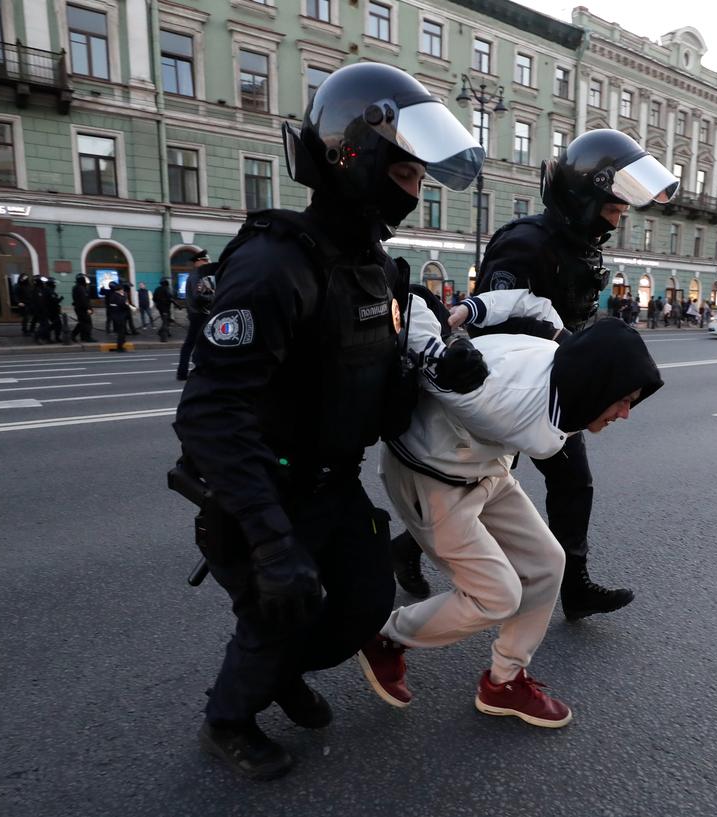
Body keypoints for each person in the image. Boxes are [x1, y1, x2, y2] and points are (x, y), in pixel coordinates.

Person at [172, 61, 484, 781]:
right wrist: (270, 539)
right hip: (264, 486)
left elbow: (371, 383)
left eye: (419, 178)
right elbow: (210, 413)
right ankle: (229, 718)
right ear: (354, 158)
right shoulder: (276, 265)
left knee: (362, 602)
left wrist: (439, 372)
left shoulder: (371, 266)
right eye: (403, 174)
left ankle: (281, 670)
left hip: (332, 480)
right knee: (279, 607)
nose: (414, 193)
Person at [390, 128, 678, 621]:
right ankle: (562, 582)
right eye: (613, 209)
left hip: (560, 383)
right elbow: (500, 322)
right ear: (584, 199)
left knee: (522, 482)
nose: (618, 218)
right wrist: (565, 348)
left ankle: (567, 581)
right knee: (513, 481)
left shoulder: (578, 241)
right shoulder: (526, 245)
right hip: (522, 389)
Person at [359, 287, 663, 728]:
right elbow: (411, 316)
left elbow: (532, 303)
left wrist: (469, 309)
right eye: (622, 399)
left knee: (547, 563)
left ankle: (503, 682)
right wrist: (439, 338)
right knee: (496, 596)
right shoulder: (500, 400)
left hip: (484, 469)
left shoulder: (563, 351)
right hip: (431, 478)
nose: (625, 413)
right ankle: (386, 637)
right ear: (598, 385)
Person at [176, 251, 215, 380]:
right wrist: (214, 297)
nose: (207, 263)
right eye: (206, 261)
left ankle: (187, 371)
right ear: (199, 261)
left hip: (197, 313)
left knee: (197, 343)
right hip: (200, 314)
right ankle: (189, 371)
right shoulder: (197, 276)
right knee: (197, 343)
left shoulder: (197, 275)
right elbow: (198, 297)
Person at [105, 281, 129, 351]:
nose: (122, 291)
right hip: (118, 316)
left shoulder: (118, 295)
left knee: (121, 331)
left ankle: (121, 343)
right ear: (118, 290)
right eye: (121, 290)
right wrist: (127, 306)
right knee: (121, 331)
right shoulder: (116, 296)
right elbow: (122, 305)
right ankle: (120, 347)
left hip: (120, 315)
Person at [71, 275, 94, 342]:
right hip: (83, 309)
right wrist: (88, 308)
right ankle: (86, 337)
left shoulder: (77, 287)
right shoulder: (81, 288)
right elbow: (84, 300)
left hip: (79, 308)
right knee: (87, 323)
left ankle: (82, 336)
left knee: (82, 323)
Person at [153, 277, 174, 342]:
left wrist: (158, 303)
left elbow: (154, 298)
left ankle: (166, 332)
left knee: (166, 321)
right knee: (165, 322)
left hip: (160, 308)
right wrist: (178, 305)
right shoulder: (167, 289)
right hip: (166, 308)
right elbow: (170, 298)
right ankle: (163, 337)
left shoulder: (157, 289)